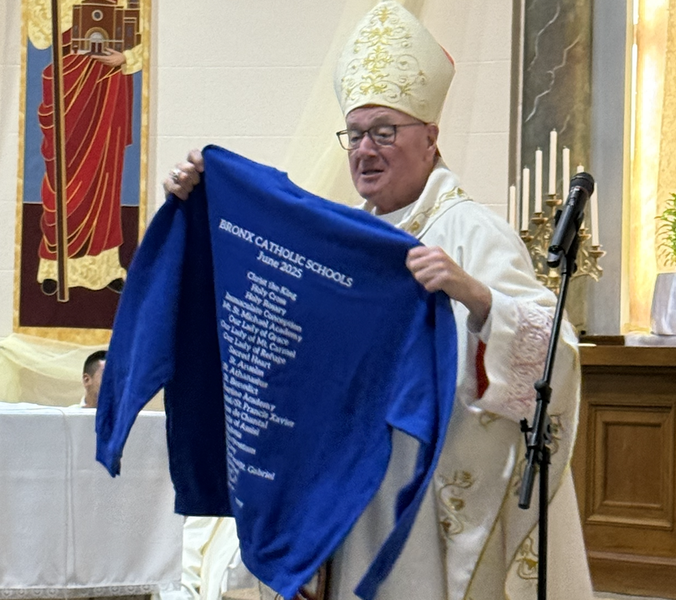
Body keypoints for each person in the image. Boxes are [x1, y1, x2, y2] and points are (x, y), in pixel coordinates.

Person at [162, 2, 590, 599]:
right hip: (354, 490)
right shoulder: (348, 240)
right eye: (355, 134)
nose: (365, 150)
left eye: (384, 132)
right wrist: (204, 204)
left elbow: (558, 357)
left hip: (430, 497)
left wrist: (474, 292)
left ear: (431, 138)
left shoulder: (472, 232)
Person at [26, 0, 143, 295]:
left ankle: (105, 267)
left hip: (108, 84)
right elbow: (39, 35)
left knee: (105, 171)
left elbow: (144, 31)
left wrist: (126, 57)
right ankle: (55, 264)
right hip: (68, 83)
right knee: (63, 171)